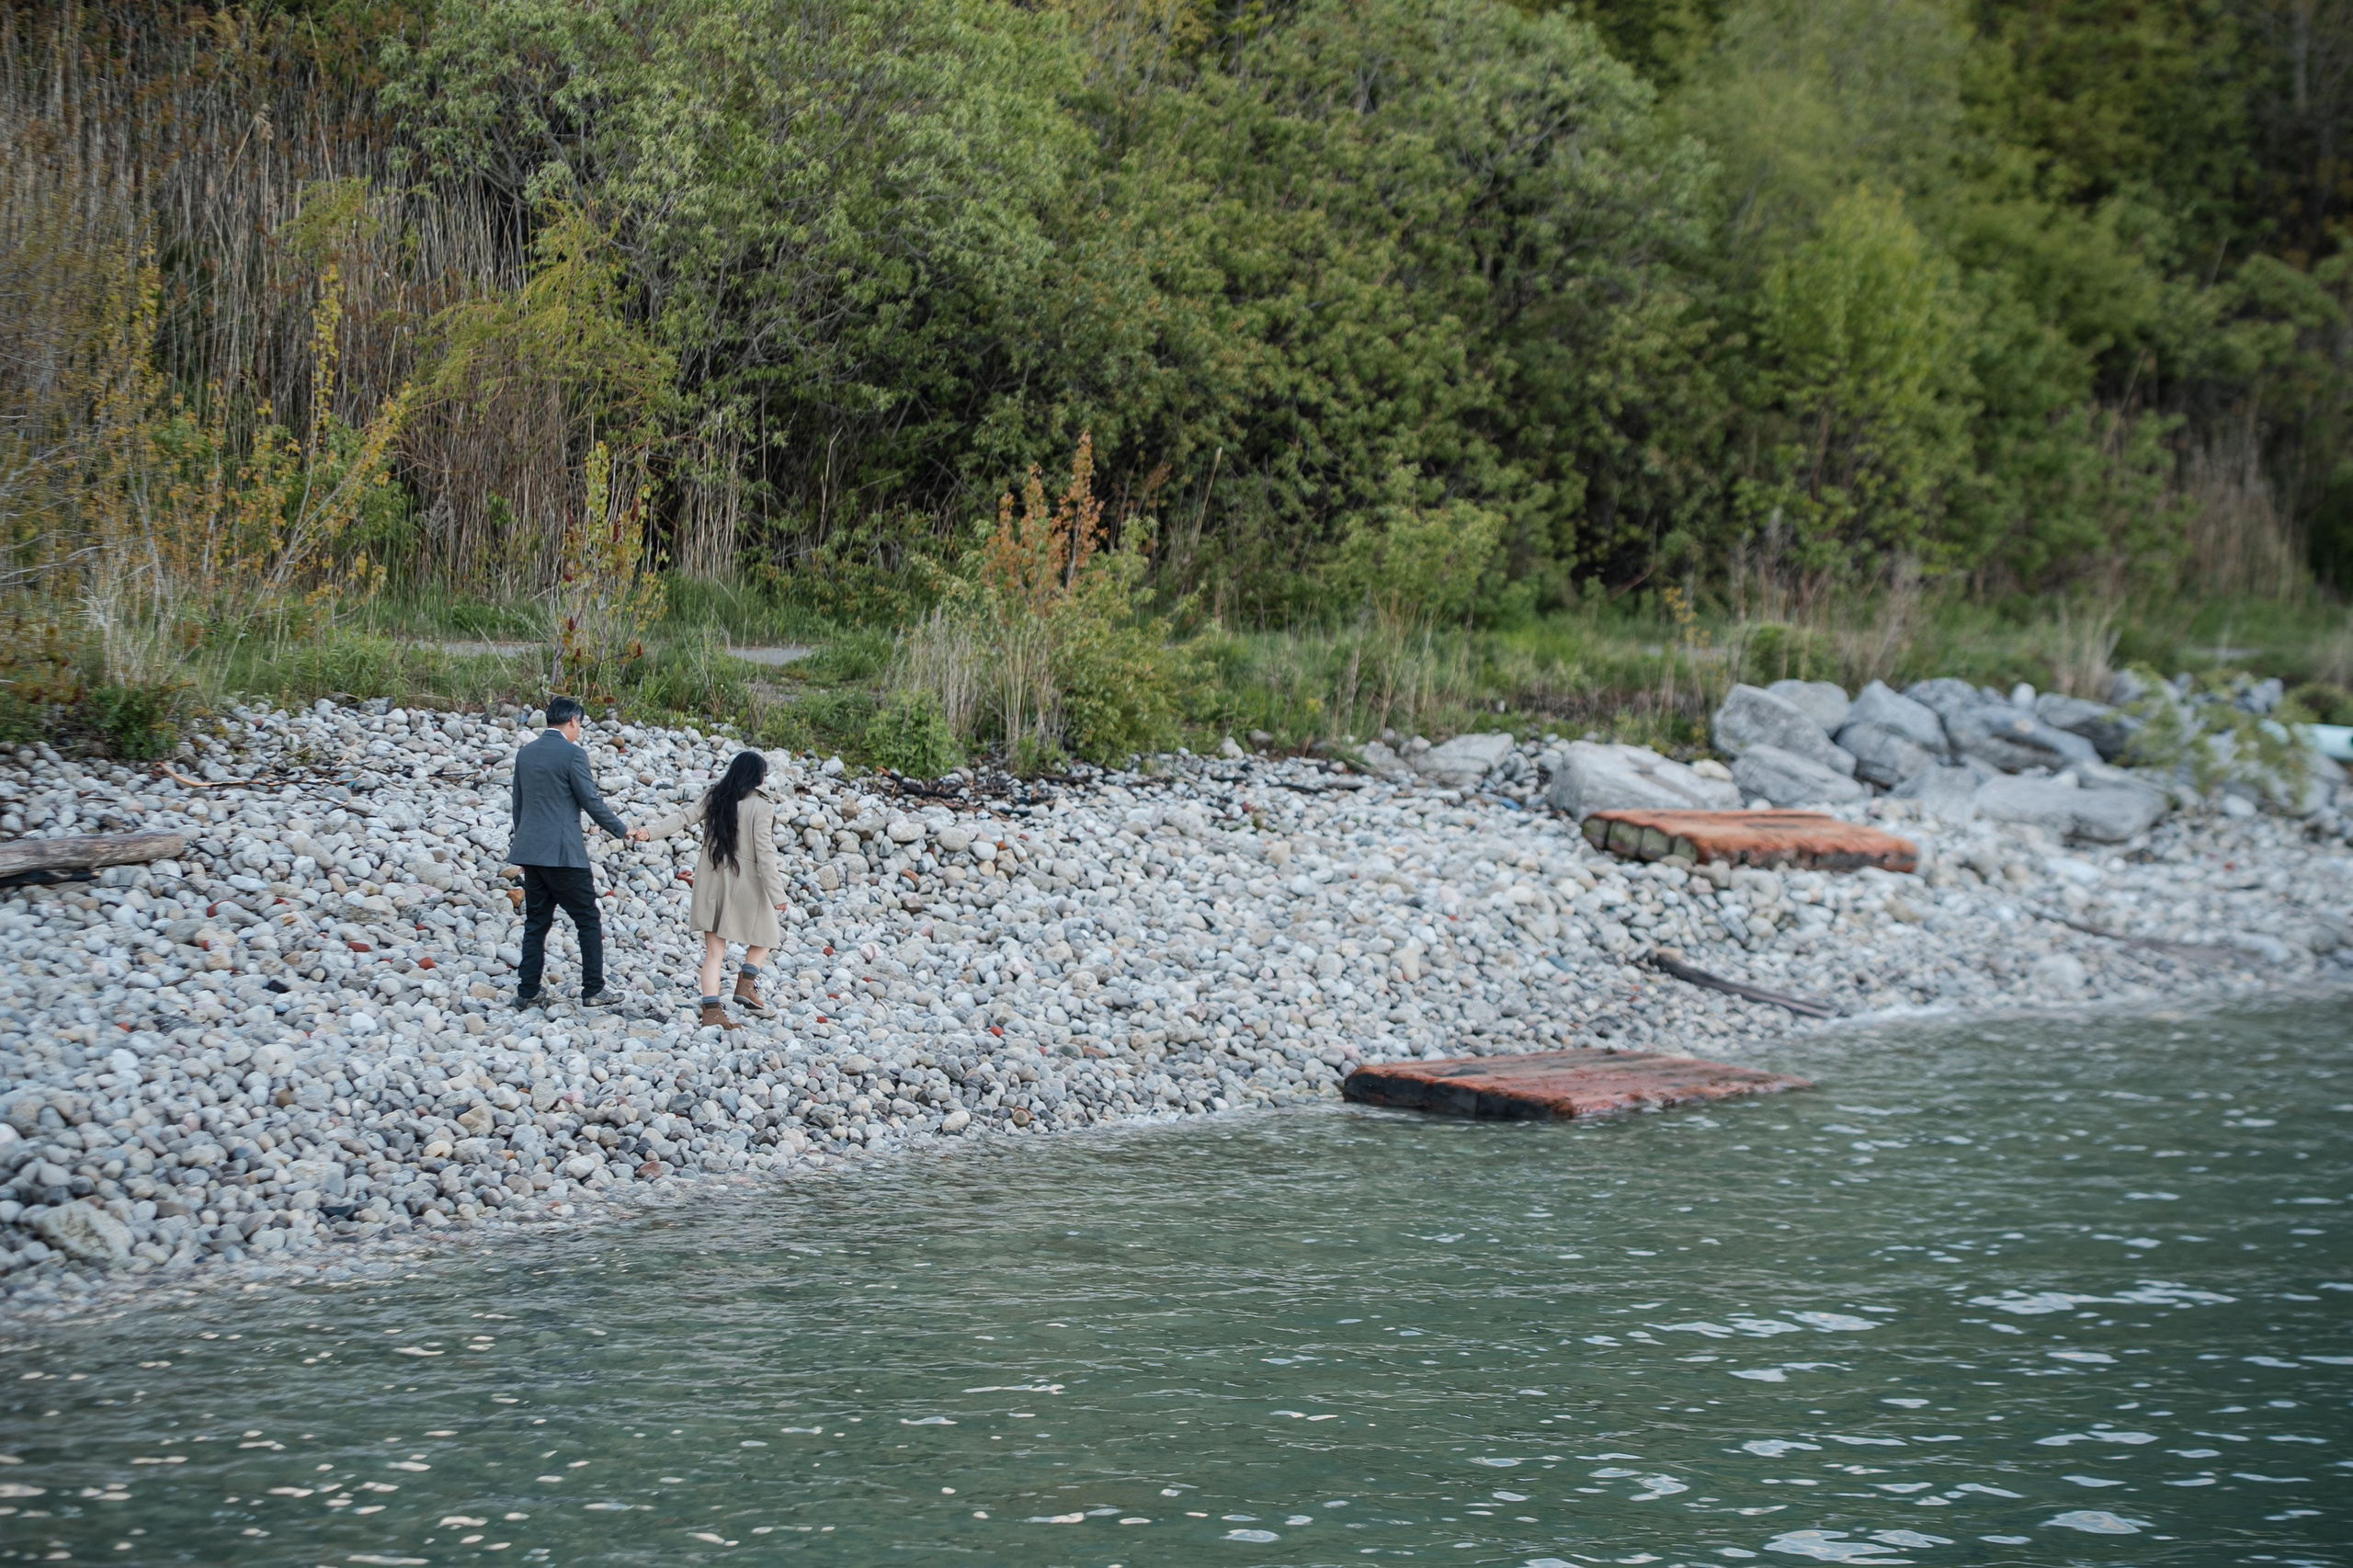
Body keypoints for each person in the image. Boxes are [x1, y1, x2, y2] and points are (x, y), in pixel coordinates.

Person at [631, 749, 790, 1030]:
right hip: (745, 883)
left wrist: (650, 831)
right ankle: (746, 984)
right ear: (756, 776)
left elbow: (683, 817)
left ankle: (712, 1011)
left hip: (712, 881)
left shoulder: (716, 795)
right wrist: (778, 895)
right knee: (768, 935)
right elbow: (764, 853)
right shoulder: (761, 806)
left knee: (714, 953)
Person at [507, 696, 634, 1008]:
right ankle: (593, 989)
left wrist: (523, 850)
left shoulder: (526, 753)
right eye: (580, 724)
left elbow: (518, 805)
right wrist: (623, 830)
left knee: (536, 922)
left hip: (531, 853)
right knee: (588, 919)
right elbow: (591, 801)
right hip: (564, 854)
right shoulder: (573, 755)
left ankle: (527, 991)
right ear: (573, 721)